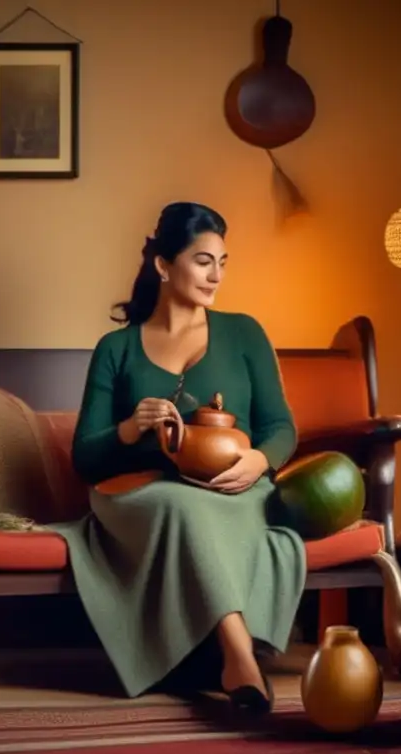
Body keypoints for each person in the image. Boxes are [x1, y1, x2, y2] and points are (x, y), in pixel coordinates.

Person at [49, 202, 305, 713]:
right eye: (203, 261)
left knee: (202, 508)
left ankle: (215, 656)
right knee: (180, 506)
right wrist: (128, 428)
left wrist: (259, 461)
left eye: (223, 262)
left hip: (234, 489)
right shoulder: (116, 348)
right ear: (164, 266)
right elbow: (84, 459)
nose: (217, 275)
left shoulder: (245, 333)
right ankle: (239, 659)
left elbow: (281, 427)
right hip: (140, 495)